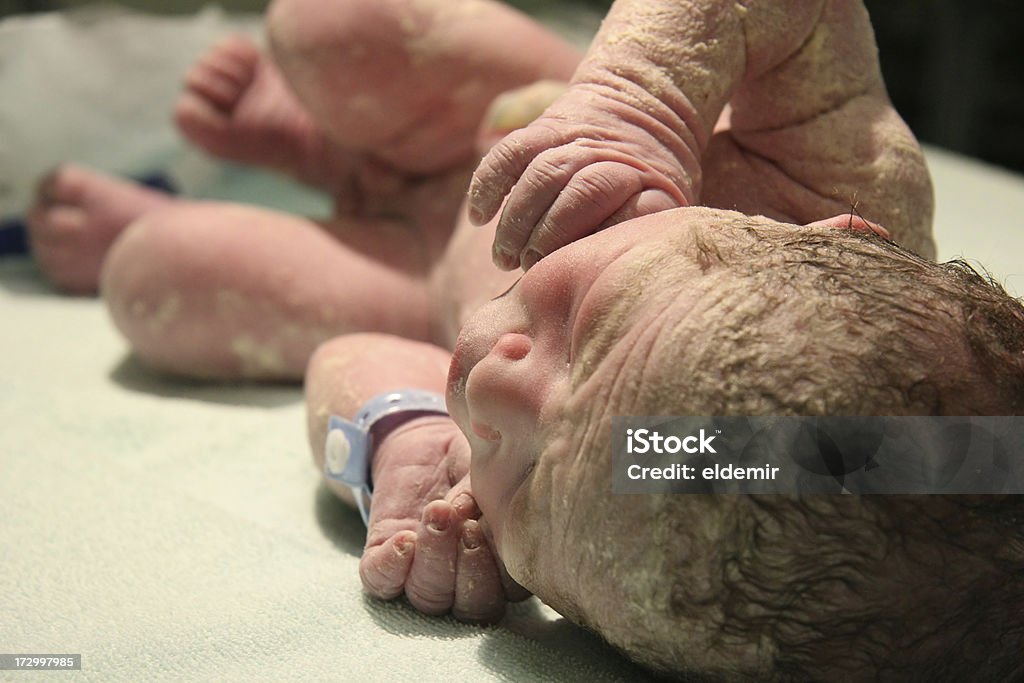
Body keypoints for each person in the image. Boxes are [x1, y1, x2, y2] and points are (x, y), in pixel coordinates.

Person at [24, 0, 1024, 678]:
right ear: (828, 236)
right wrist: (644, 104)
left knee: (154, 279)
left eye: (531, 490)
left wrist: (403, 442)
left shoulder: (613, 482)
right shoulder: (844, 188)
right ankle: (327, 140)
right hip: (509, 124)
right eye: (588, 329)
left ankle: (326, 178)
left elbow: (351, 358)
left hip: (413, 271)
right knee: (331, 22)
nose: (493, 394)